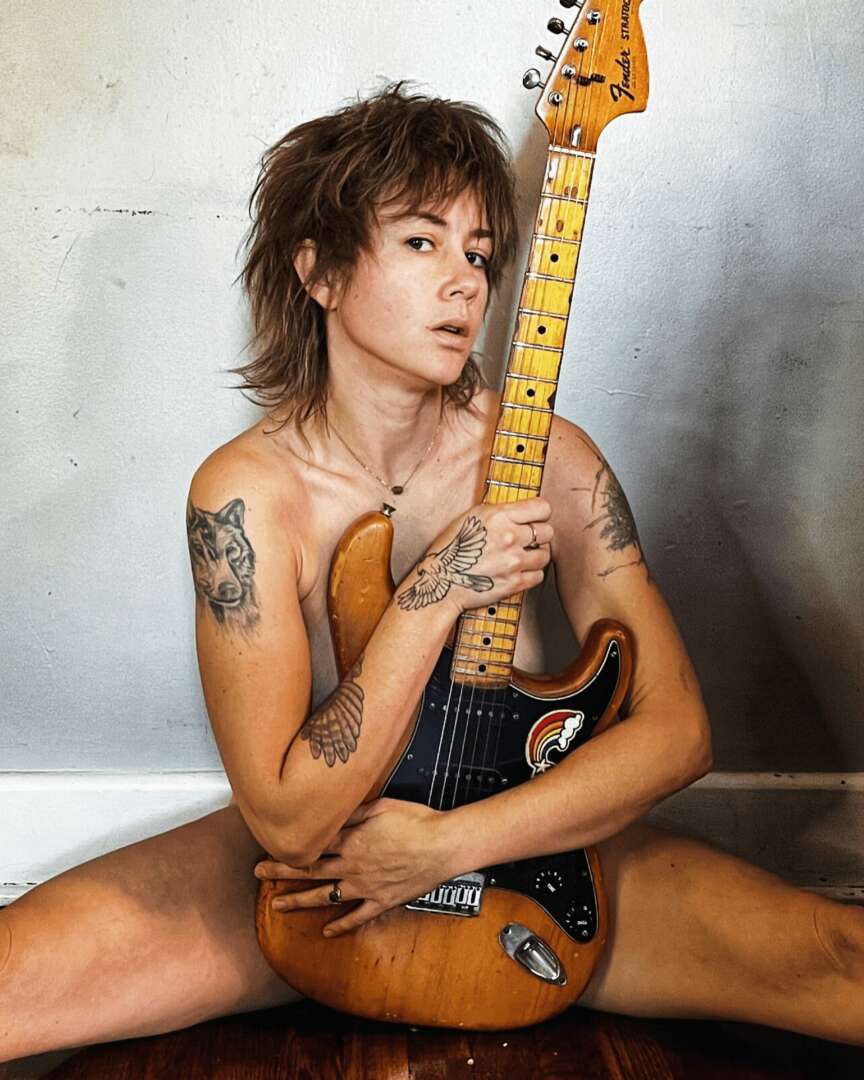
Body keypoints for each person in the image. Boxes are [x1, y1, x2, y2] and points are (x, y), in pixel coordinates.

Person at [1, 84, 862, 1065]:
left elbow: (678, 735)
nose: (465, 283)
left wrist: (448, 848)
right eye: (422, 241)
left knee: (839, 956)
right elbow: (287, 821)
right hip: (322, 877)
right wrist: (433, 591)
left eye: (480, 254)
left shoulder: (554, 459)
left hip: (532, 862)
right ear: (320, 271)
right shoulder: (246, 496)